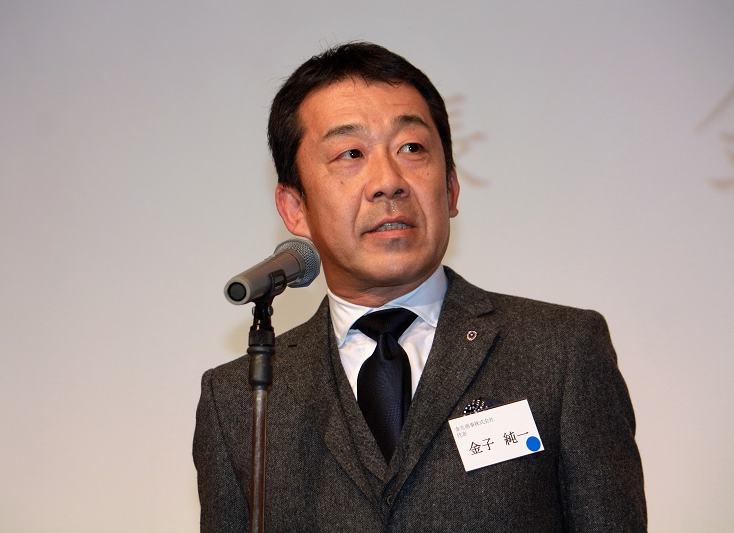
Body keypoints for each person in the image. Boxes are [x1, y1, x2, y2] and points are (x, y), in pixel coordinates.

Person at [193, 42, 646, 531]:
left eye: (411, 148)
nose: (387, 181)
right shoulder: (240, 399)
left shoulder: (560, 352)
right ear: (294, 208)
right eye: (350, 153)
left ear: (450, 187)